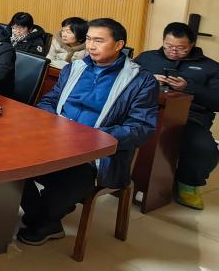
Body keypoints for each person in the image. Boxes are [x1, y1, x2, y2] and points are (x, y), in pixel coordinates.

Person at [19, 18, 158, 245]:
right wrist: (54, 122)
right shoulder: (75, 68)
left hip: (97, 153)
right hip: (55, 140)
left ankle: (45, 218)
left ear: (119, 44)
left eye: (99, 41)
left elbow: (141, 127)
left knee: (71, 177)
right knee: (9, 162)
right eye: (89, 39)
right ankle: (44, 219)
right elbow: (49, 101)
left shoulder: (140, 81)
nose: (91, 46)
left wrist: (94, 136)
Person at [136, 22, 219, 210]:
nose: (173, 51)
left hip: (189, 117)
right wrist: (147, 79)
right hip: (146, 110)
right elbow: (125, 77)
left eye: (181, 48)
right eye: (168, 46)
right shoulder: (147, 57)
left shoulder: (211, 67)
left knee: (204, 148)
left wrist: (188, 87)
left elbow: (217, 100)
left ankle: (188, 184)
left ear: (192, 45)